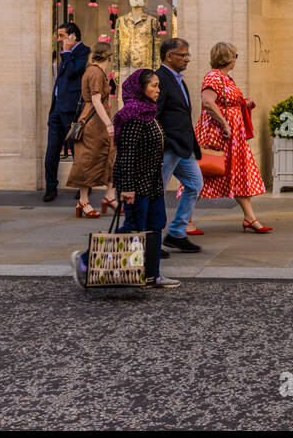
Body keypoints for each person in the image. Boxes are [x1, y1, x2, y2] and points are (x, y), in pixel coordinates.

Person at [106, 68, 178, 288]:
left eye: (158, 85)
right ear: (141, 88)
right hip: (136, 185)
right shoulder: (133, 116)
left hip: (152, 183)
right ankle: (84, 261)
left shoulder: (149, 112)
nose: (158, 90)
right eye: (153, 86)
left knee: (155, 225)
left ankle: (152, 274)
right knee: (132, 228)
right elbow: (125, 154)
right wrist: (126, 188)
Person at [196, 41, 270, 232]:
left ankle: (250, 218)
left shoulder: (226, 78)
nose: (236, 60)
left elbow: (226, 102)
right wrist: (225, 124)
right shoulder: (213, 77)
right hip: (219, 136)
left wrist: (244, 103)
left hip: (233, 137)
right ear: (227, 58)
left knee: (238, 174)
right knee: (201, 175)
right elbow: (208, 103)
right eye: (235, 56)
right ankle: (184, 220)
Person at [156, 38, 204, 252]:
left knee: (194, 184)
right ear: (169, 56)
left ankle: (176, 232)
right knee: (156, 192)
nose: (187, 59)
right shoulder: (160, 79)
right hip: (168, 146)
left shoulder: (177, 79)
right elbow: (154, 113)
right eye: (183, 55)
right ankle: (152, 242)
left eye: (187, 54)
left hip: (182, 146)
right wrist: (163, 141)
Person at [66, 41, 117, 218]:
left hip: (96, 120)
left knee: (107, 155)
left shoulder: (93, 70)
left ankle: (109, 196)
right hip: (93, 122)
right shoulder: (95, 72)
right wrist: (109, 124)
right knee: (88, 159)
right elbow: (96, 100)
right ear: (108, 56)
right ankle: (83, 201)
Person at [43, 22, 89, 202]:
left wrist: (68, 52)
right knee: (52, 150)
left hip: (72, 110)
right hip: (57, 109)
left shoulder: (83, 51)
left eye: (62, 36)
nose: (59, 40)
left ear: (73, 37)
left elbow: (72, 73)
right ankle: (50, 187)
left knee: (77, 150)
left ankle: (84, 187)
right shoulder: (65, 54)